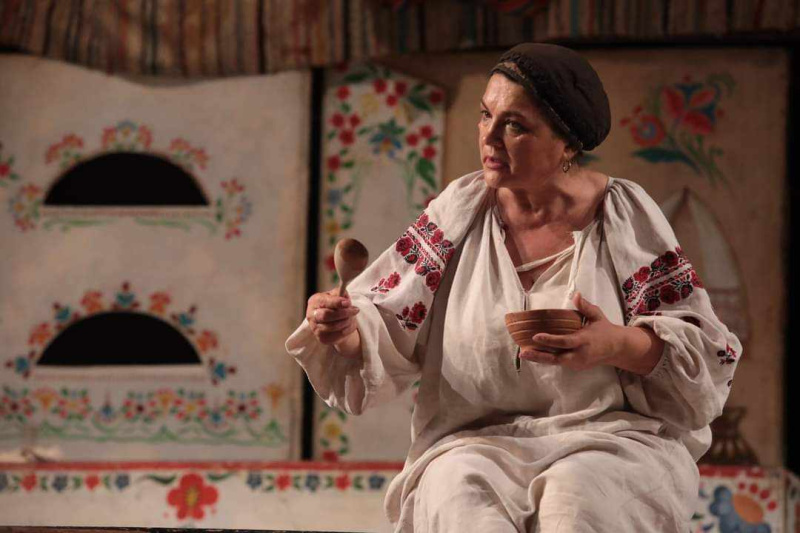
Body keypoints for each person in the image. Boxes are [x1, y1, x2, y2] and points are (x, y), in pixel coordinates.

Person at [286, 43, 740, 532]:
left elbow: (702, 358)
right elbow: (385, 318)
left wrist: (615, 343)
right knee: (461, 501)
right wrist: (344, 329)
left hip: (610, 442)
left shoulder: (623, 215)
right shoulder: (458, 213)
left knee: (574, 502)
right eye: (486, 116)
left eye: (515, 126)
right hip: (471, 445)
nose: (490, 137)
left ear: (567, 143)